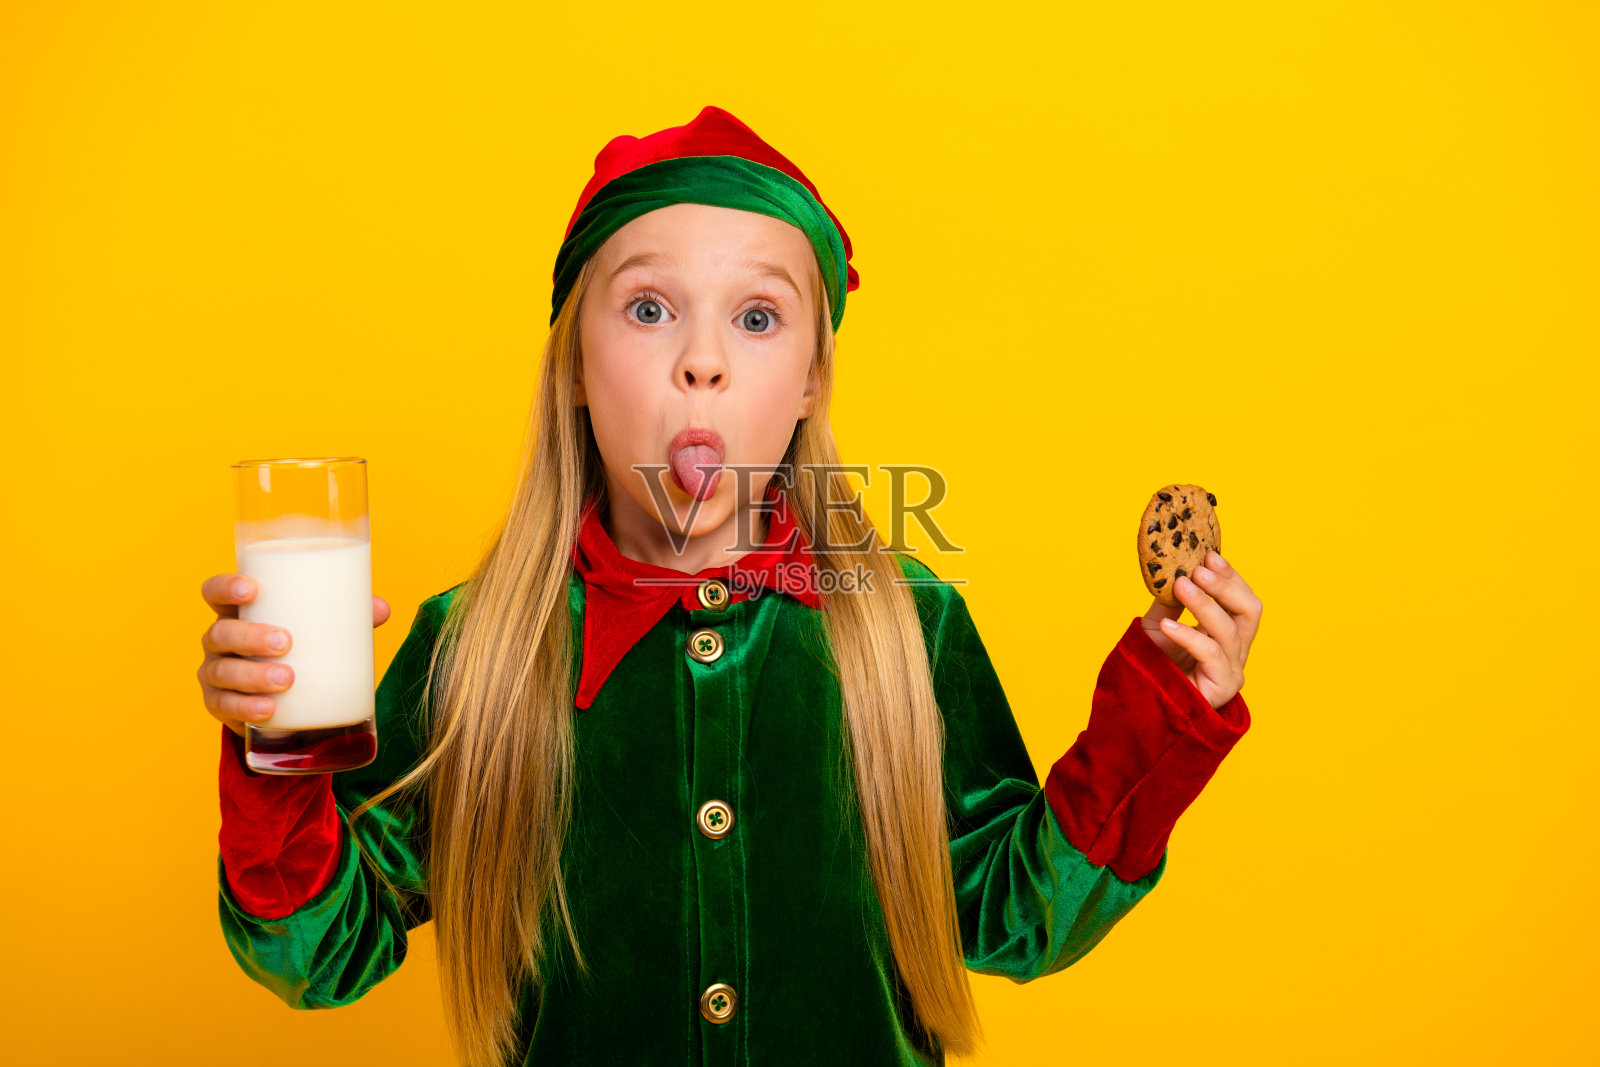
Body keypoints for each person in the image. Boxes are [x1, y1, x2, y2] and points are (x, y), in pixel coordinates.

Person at [197, 105, 1263, 1067]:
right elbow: (317, 953)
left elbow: (1019, 913)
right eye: (650, 308)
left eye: (755, 319)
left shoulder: (909, 627)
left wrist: (1160, 711)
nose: (699, 361)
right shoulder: (474, 646)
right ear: (572, 362)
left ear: (809, 379)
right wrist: (274, 742)